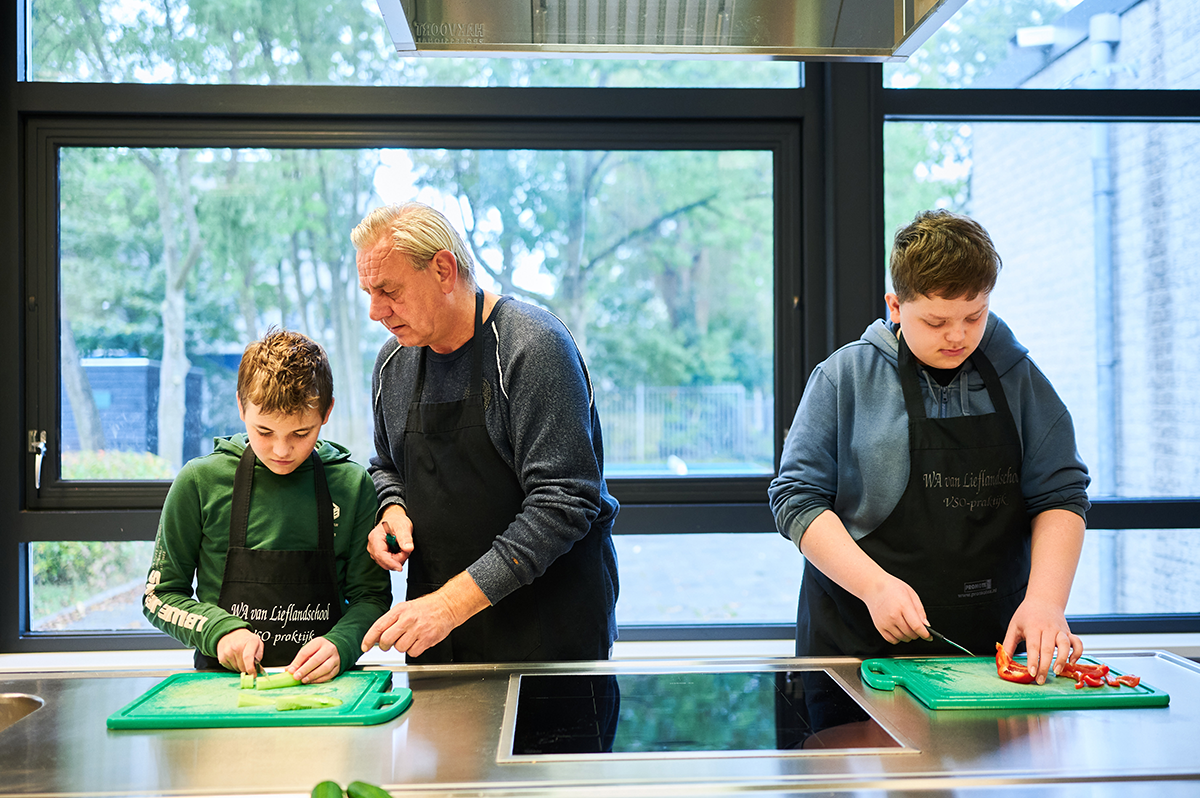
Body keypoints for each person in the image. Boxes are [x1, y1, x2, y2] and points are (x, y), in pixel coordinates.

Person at [769, 209, 1090, 687]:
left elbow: (1061, 495)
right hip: (857, 652)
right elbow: (796, 498)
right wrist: (874, 586)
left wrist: (1046, 600)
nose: (958, 335)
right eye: (937, 321)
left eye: (974, 316)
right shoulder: (844, 379)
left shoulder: (1017, 377)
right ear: (895, 307)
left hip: (992, 659)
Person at [351, 201, 619, 664]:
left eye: (388, 290)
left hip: (548, 634)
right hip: (439, 635)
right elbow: (386, 467)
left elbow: (565, 501)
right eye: (368, 293)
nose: (376, 311)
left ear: (442, 269)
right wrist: (391, 509)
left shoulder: (531, 348)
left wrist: (449, 605)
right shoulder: (393, 364)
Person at [143, 328, 392, 683]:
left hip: (330, 692)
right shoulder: (199, 481)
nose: (281, 450)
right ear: (241, 408)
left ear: (326, 412)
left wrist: (342, 643)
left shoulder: (351, 485)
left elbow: (372, 597)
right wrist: (219, 632)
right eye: (264, 431)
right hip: (224, 691)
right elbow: (159, 596)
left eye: (300, 433)